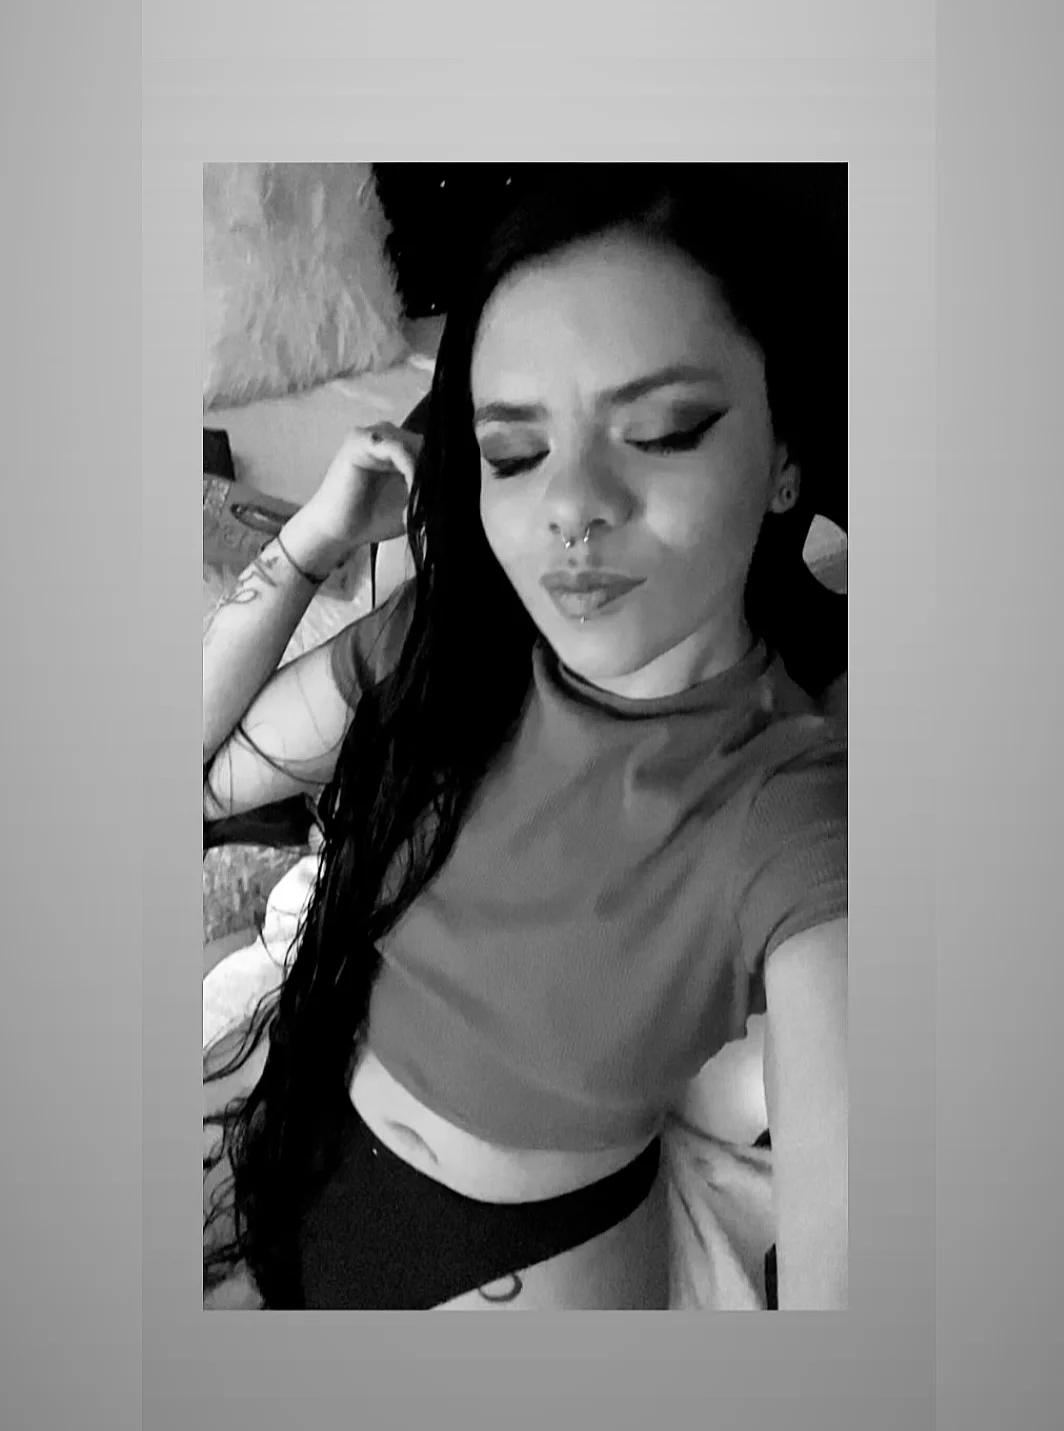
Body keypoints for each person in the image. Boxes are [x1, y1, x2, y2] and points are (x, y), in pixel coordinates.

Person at [203, 168, 847, 1311]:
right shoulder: (445, 647)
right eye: (512, 453)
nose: (570, 506)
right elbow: (200, 777)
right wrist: (313, 543)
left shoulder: (788, 810)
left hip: (510, 1271)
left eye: (659, 432)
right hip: (301, 1153)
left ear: (784, 455)